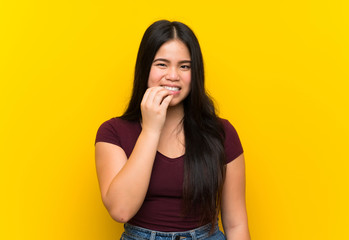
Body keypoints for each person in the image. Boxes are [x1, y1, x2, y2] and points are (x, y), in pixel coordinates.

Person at [95, 20, 250, 240]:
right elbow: (121, 210)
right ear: (145, 67)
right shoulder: (113, 133)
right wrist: (151, 129)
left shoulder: (221, 133)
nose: (173, 75)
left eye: (184, 66)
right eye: (162, 64)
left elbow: (236, 224)